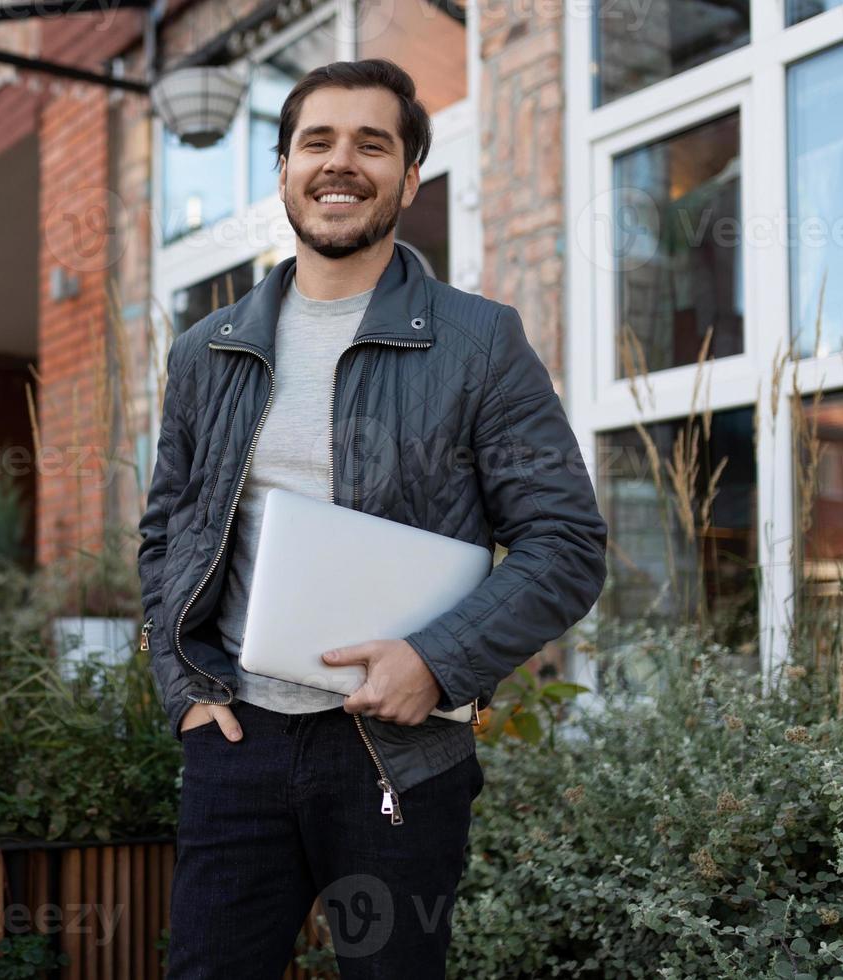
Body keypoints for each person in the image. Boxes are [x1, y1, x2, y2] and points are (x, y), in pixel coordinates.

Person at [136, 59, 608, 978]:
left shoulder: (480, 341)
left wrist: (437, 662)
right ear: (282, 169)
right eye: (317, 141)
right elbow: (166, 534)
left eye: (372, 143)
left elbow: (566, 545)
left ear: (410, 178)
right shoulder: (208, 350)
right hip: (238, 739)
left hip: (401, 753)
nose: (339, 163)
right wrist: (184, 690)